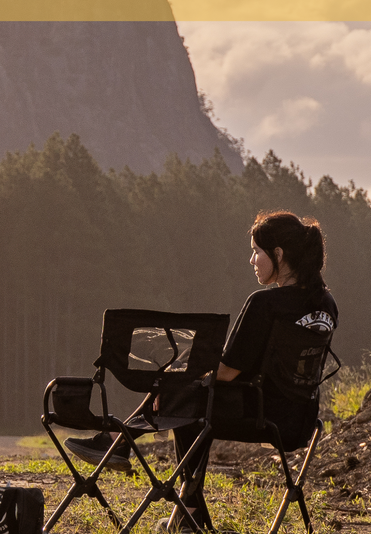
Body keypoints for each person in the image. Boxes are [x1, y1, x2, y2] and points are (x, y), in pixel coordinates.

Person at [66, 210, 338, 530]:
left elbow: (225, 372)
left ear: (278, 254)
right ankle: (178, 506)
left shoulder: (265, 304)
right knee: (188, 399)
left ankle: (123, 445)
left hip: (258, 414)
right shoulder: (326, 304)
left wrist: (172, 386)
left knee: (187, 403)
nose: (252, 260)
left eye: (256, 251)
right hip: (299, 420)